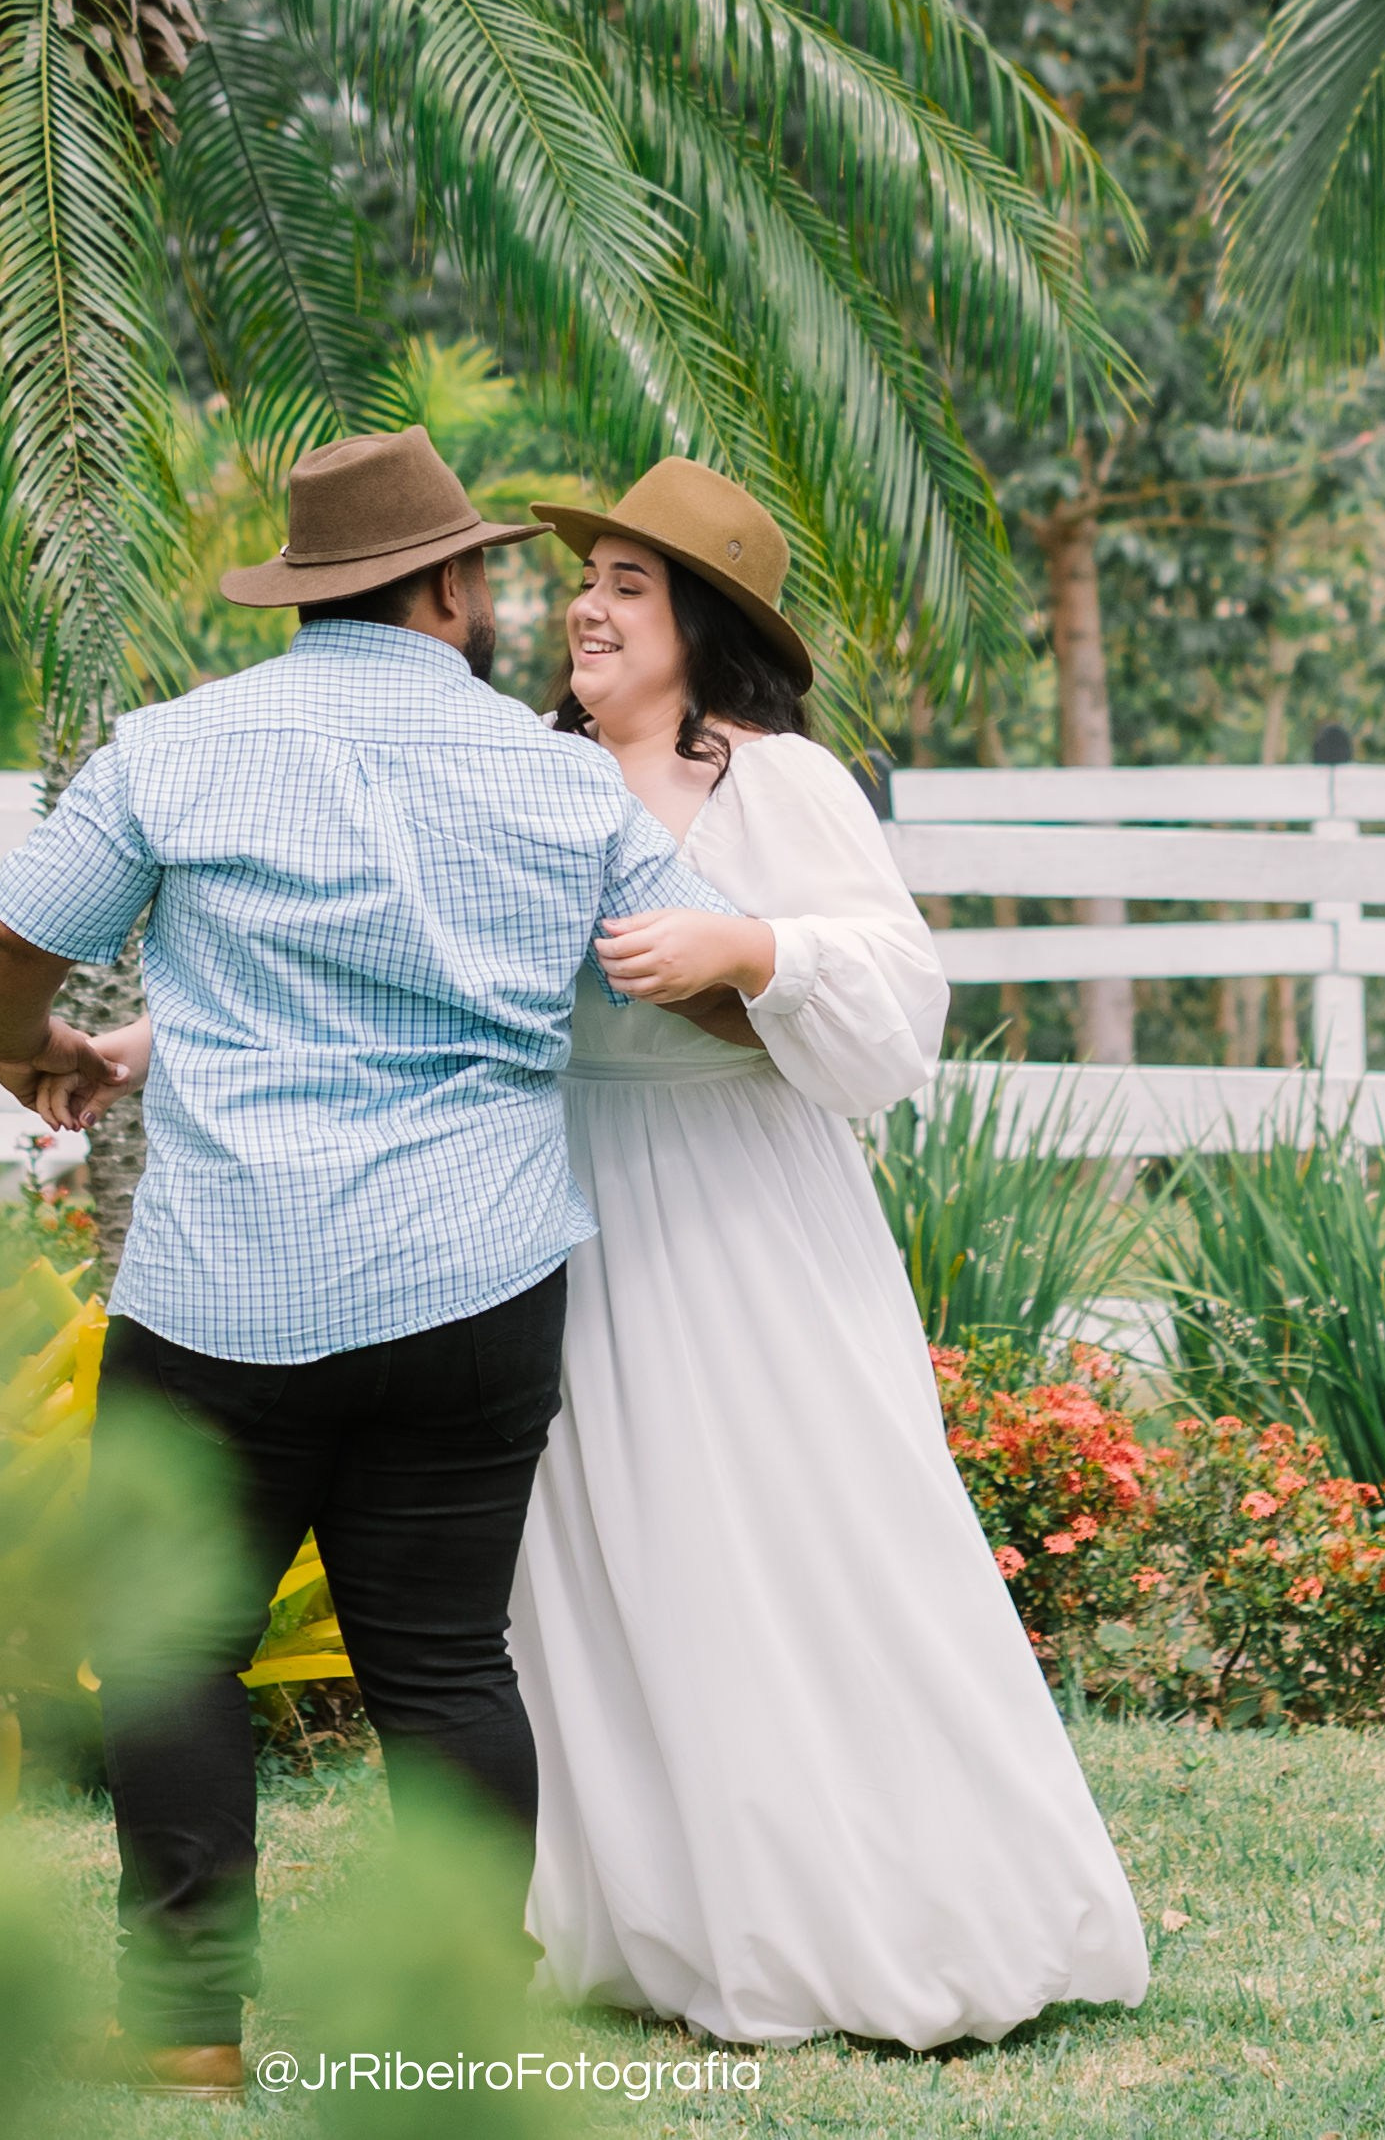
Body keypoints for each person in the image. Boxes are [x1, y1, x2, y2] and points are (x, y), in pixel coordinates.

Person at [0, 427, 751, 2098]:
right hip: (474, 1278)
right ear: (455, 587)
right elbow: (689, 982)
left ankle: (183, 2027)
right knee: (448, 1665)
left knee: (177, 1649)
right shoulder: (558, 782)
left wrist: (29, 1048)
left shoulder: (175, 751)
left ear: (306, 589)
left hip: (220, 1287)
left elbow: (8, 931)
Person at [506, 455, 1151, 2050]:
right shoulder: (522, 771)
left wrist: (749, 945)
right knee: (624, 1554)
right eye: (584, 580)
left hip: (745, 1206)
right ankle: (670, 1923)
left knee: (804, 1532)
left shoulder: (777, 783)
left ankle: (899, 1914)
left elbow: (892, 998)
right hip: (569, 1200)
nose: (585, 605)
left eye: (627, 585)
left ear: (699, 623)